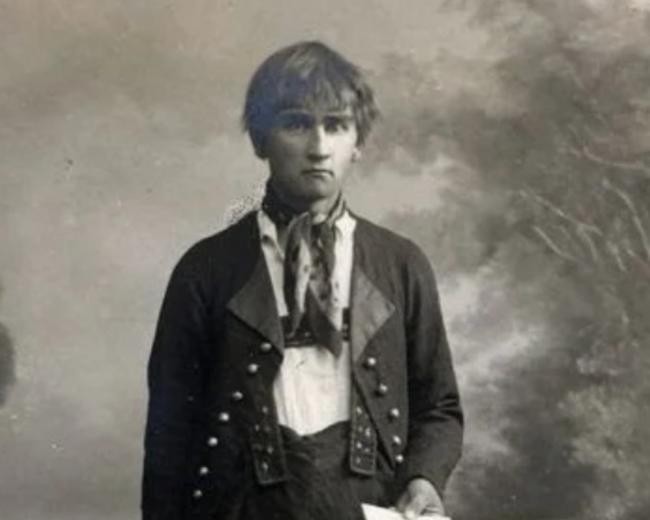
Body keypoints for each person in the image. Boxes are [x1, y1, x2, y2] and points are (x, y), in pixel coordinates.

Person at [142, 40, 463, 520]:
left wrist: (424, 478)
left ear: (357, 143)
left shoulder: (401, 265)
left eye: (336, 125)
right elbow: (170, 436)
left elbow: (439, 407)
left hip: (371, 505)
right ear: (260, 140)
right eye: (296, 124)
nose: (318, 148)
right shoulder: (205, 271)